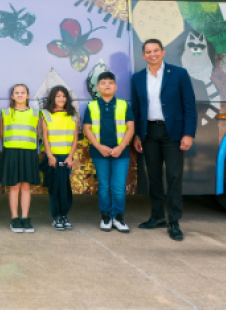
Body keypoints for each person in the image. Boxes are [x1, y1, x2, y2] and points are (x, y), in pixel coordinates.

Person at [131, 38, 196, 241]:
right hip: (149, 132)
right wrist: (137, 135)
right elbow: (135, 109)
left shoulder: (179, 74)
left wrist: (188, 134)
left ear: (163, 52)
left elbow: (189, 106)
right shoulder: (138, 78)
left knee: (174, 177)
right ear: (143, 56)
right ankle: (157, 217)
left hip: (173, 133)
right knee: (155, 177)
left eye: (155, 50)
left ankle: (174, 222)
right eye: (148, 51)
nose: (152, 54)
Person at [84, 72, 134, 233]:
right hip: (100, 153)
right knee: (104, 186)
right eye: (103, 83)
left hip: (121, 153)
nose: (107, 85)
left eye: (110, 83)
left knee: (119, 187)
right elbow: (87, 129)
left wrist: (121, 147)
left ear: (115, 86)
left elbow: (130, 128)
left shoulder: (124, 105)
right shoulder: (91, 106)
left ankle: (118, 217)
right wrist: (99, 146)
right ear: (98, 87)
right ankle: (105, 216)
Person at [0, 84, 41, 233]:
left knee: (25, 187)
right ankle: (14, 218)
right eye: (16, 93)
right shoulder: (5, 112)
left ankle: (25, 217)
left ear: (28, 95)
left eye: (22, 92)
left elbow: (37, 133)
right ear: (12, 96)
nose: (19, 95)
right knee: (14, 186)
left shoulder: (36, 113)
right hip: (11, 152)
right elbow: (1, 133)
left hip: (29, 152)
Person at [40, 85, 79, 231]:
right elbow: (45, 137)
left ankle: (64, 216)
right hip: (53, 158)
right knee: (55, 188)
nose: (61, 99)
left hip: (66, 158)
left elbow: (75, 138)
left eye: (63, 96)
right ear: (52, 98)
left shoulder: (72, 115)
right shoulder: (46, 114)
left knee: (65, 188)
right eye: (57, 96)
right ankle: (56, 217)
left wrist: (70, 157)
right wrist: (50, 156)